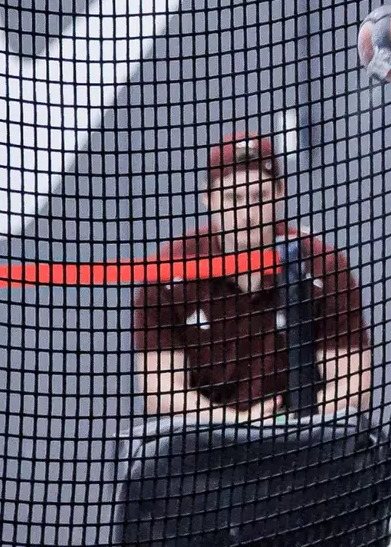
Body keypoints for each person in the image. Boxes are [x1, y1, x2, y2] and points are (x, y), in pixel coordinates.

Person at [132, 133, 372, 423]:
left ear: (281, 192)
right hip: (205, 449)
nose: (247, 213)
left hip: (303, 446)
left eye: (260, 197)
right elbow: (160, 391)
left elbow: (355, 383)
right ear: (208, 197)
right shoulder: (168, 274)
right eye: (234, 197)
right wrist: (237, 425)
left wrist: (286, 425)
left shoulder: (323, 266)